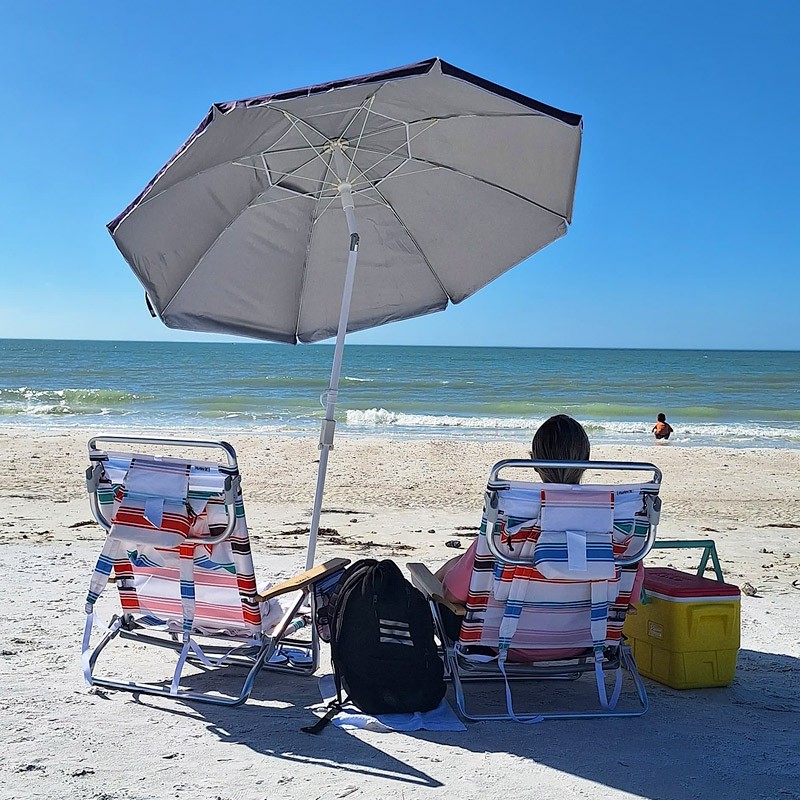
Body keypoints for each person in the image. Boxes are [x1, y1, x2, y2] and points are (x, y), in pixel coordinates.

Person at [435, 413, 644, 661]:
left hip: (499, 644)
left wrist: (440, 577)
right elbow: (629, 597)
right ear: (586, 462)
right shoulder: (615, 525)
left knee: (440, 583)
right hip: (588, 642)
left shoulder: (509, 522)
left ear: (534, 462)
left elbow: (453, 595)